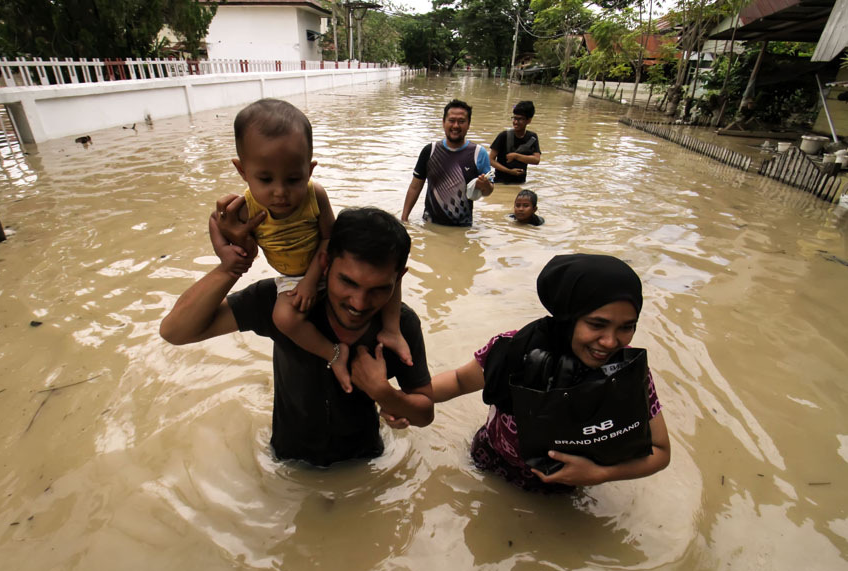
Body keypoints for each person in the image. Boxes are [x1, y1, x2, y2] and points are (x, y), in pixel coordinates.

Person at [160, 206, 434, 467]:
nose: (360, 303)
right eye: (348, 282)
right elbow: (176, 331)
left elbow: (424, 414)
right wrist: (232, 267)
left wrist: (383, 393)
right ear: (325, 264)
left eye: (378, 289)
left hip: (364, 460)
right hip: (288, 460)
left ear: (399, 278)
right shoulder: (286, 304)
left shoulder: (401, 326)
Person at [394, 254, 670, 492]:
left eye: (626, 327)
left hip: (564, 486)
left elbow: (660, 452)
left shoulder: (627, 373)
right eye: (597, 324)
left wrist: (599, 474)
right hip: (488, 461)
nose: (611, 341)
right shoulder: (515, 351)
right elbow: (457, 381)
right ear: (567, 316)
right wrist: (402, 401)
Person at [218, 99, 411, 394]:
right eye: (265, 179)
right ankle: (334, 354)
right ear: (242, 170)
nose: (280, 192)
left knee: (387, 269)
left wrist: (312, 281)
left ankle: (392, 329)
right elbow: (217, 222)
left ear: (309, 170)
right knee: (284, 317)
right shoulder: (244, 207)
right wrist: (227, 254)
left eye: (293, 179)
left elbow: (328, 238)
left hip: (323, 267)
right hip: (291, 278)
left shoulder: (314, 195)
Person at [401, 99, 494, 226]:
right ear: (443, 122)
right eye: (451, 120)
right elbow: (415, 186)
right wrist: (404, 219)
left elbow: (488, 191)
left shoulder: (479, 153)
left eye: (461, 121)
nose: (456, 126)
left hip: (462, 227)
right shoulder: (430, 151)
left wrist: (485, 185)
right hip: (430, 225)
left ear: (468, 124)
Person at [489, 100, 541, 185]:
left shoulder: (532, 138)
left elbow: (536, 160)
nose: (515, 122)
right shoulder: (503, 136)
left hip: (520, 183)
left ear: (529, 120)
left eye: (520, 119)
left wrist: (516, 156)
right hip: (501, 183)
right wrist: (509, 171)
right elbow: (490, 160)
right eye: (514, 118)